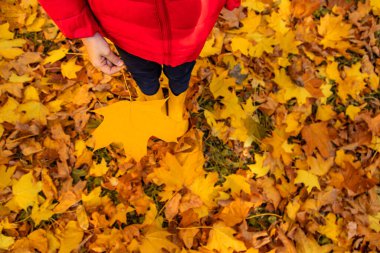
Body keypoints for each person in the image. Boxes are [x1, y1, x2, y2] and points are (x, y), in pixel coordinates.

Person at [38, 0, 241, 126]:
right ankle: (154, 104)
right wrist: (86, 32)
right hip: (124, 24)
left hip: (190, 22)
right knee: (142, 73)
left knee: (181, 72)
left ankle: (176, 104)